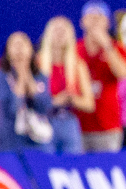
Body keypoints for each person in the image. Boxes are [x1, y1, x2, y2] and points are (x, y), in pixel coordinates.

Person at [76, 1, 126, 152]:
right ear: (82, 22)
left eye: (99, 17)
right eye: (90, 17)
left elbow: (123, 73)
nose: (94, 21)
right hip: (79, 124)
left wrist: (106, 45)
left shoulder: (117, 48)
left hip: (107, 125)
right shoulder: (75, 49)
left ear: (107, 22)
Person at [0, 29, 55, 153]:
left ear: (31, 50)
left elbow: (44, 108)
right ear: (7, 52)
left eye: (23, 44)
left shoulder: (41, 76)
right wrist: (20, 79)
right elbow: (12, 109)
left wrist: (28, 77)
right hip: (9, 138)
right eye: (14, 44)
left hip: (37, 139)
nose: (19, 48)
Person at [38, 17, 94, 154]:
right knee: (45, 163)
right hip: (44, 121)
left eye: (64, 30)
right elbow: (31, 99)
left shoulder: (78, 65)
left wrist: (71, 99)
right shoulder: (37, 63)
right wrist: (55, 101)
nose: (59, 34)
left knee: (72, 163)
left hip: (69, 121)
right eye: (56, 30)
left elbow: (89, 104)